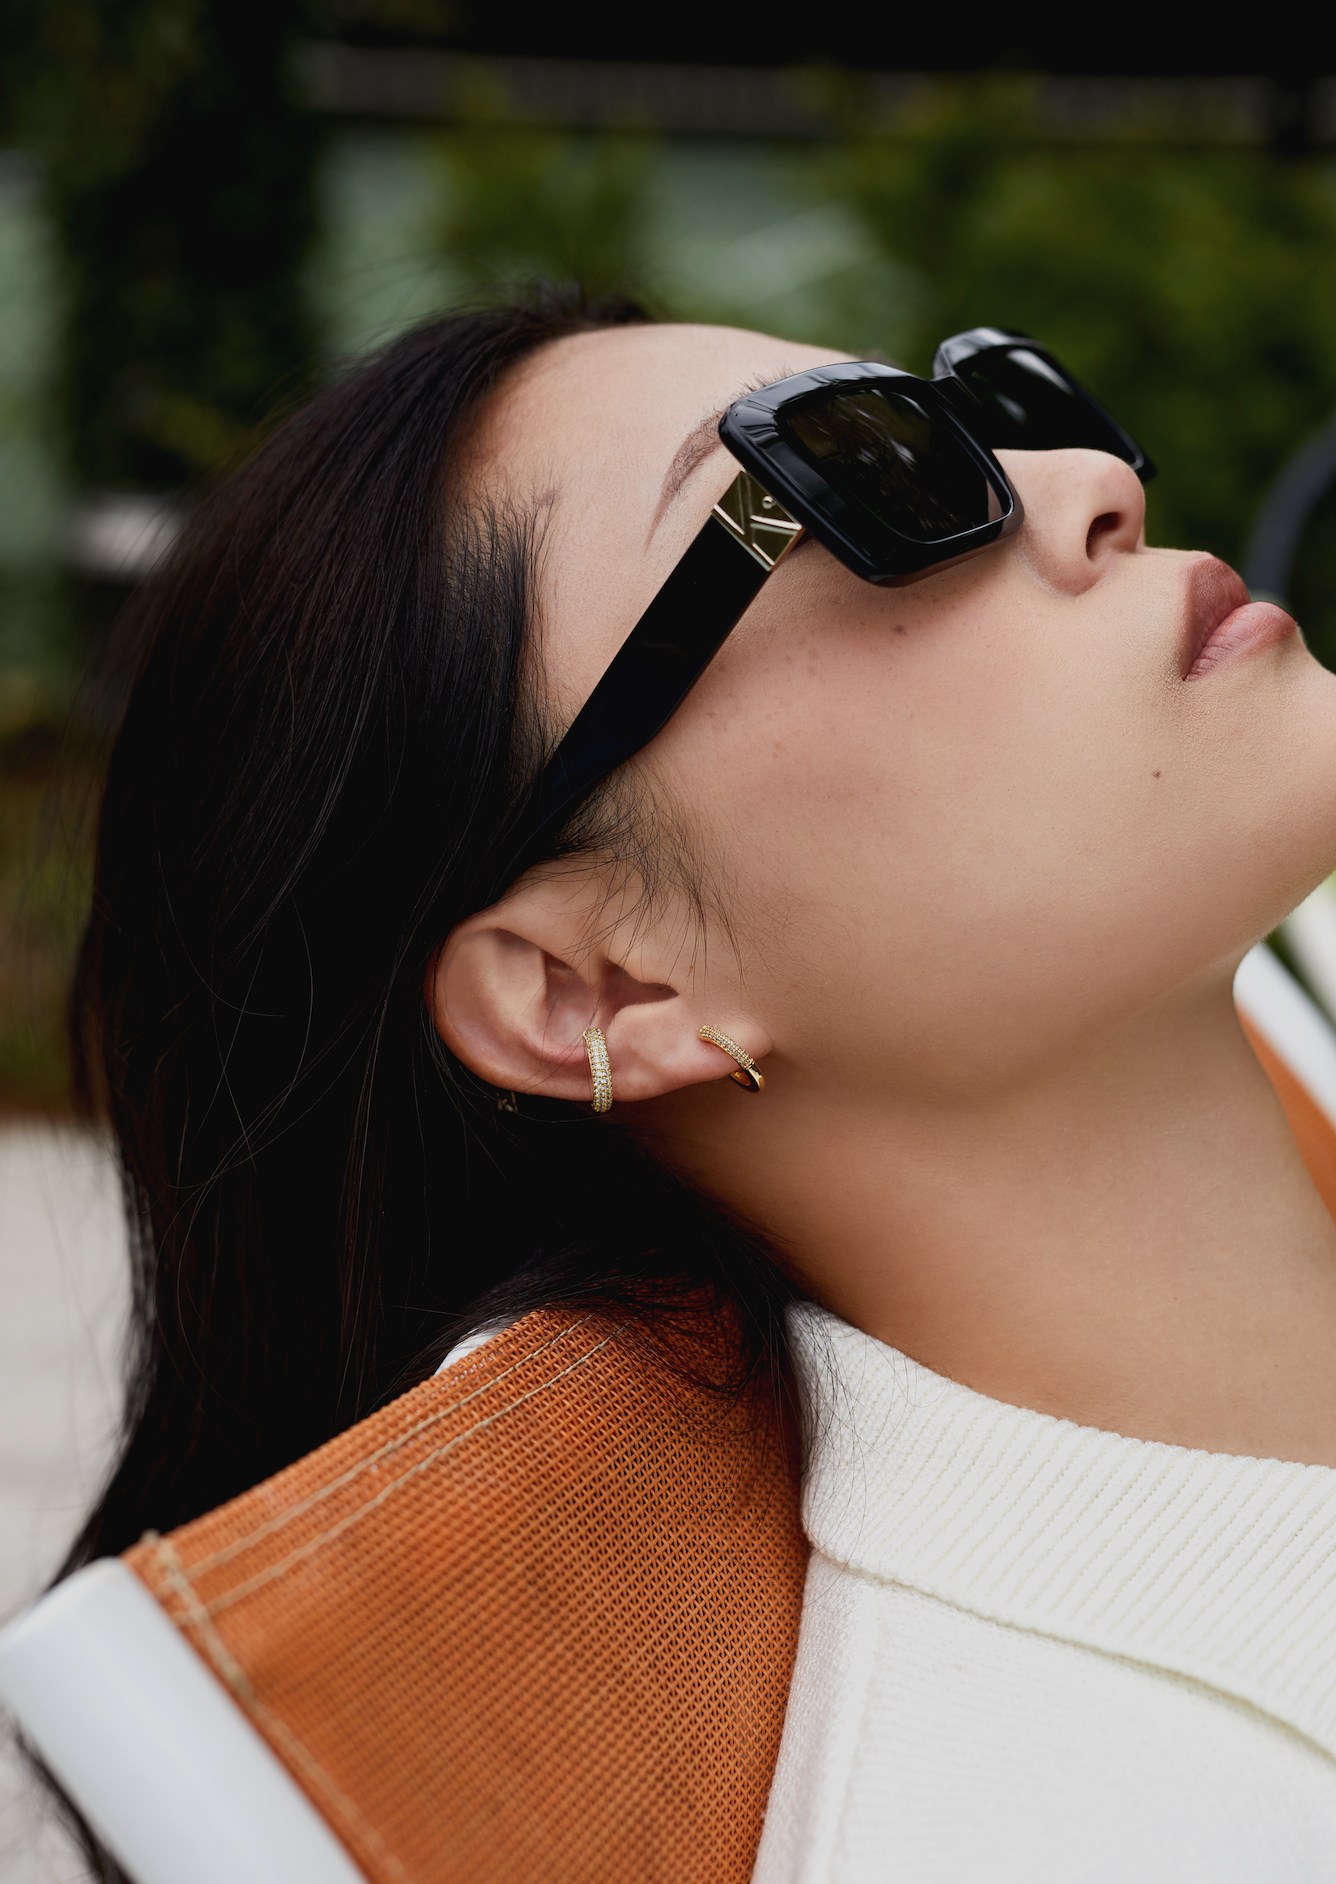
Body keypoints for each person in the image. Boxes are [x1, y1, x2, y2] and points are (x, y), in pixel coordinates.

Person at [59, 286, 1336, 1879]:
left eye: (992, 409)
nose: (1091, 481)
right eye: (843, 484)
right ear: (603, 985)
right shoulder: (1079, 1823)